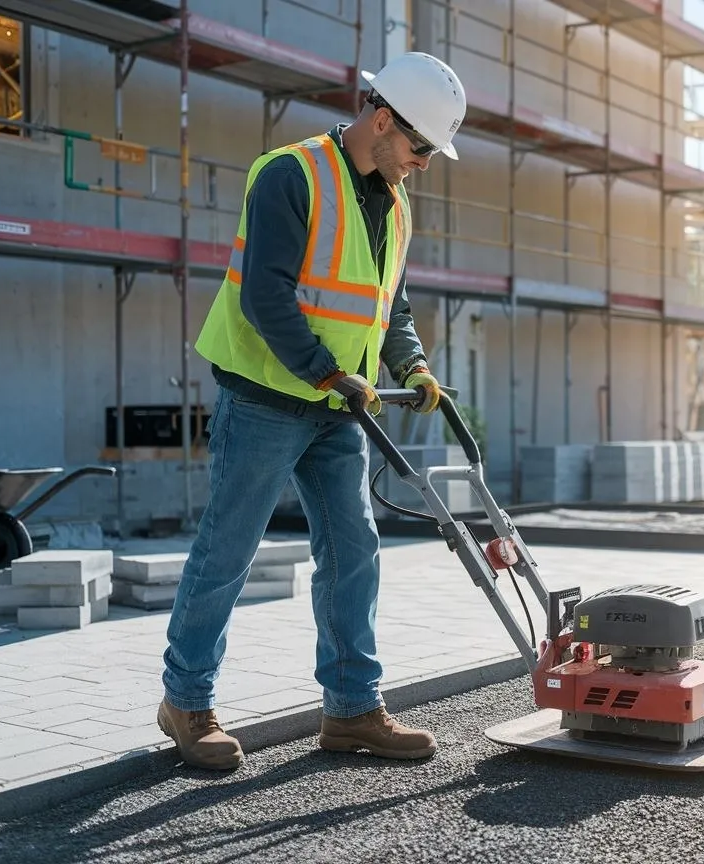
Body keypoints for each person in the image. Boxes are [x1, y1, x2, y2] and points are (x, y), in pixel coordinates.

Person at [155, 51, 467, 771]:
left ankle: (352, 708)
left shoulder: (395, 202)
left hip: (339, 407)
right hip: (266, 397)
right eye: (420, 146)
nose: (423, 163)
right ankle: (186, 702)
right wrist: (329, 371)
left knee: (353, 551)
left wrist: (412, 366)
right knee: (228, 549)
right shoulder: (290, 175)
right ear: (382, 120)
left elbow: (389, 307)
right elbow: (266, 295)